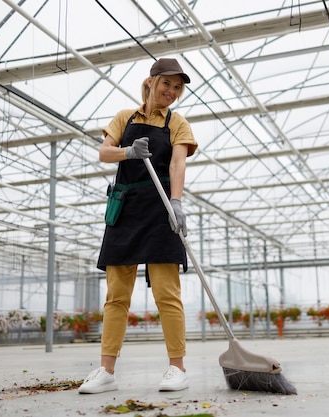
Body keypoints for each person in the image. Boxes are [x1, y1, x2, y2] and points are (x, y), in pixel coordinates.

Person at [78, 58, 198, 394]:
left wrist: (176, 202)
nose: (171, 92)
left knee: (166, 294)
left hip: (159, 210)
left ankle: (177, 368)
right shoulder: (123, 117)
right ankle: (106, 371)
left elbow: (177, 163)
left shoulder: (178, 123)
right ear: (152, 82)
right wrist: (128, 151)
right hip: (126, 209)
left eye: (178, 88)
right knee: (116, 296)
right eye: (167, 84)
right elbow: (104, 153)